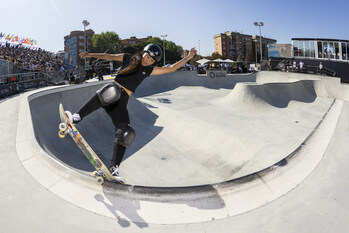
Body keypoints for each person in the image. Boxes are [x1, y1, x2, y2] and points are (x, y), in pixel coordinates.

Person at [65, 43, 197, 183]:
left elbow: (171, 68)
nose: (148, 61)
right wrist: (90, 55)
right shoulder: (128, 58)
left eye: (151, 61)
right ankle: (76, 117)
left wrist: (188, 57)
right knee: (112, 91)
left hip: (121, 104)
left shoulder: (149, 70)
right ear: (143, 52)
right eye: (147, 57)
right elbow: (108, 56)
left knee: (127, 133)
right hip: (110, 93)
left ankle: (113, 168)